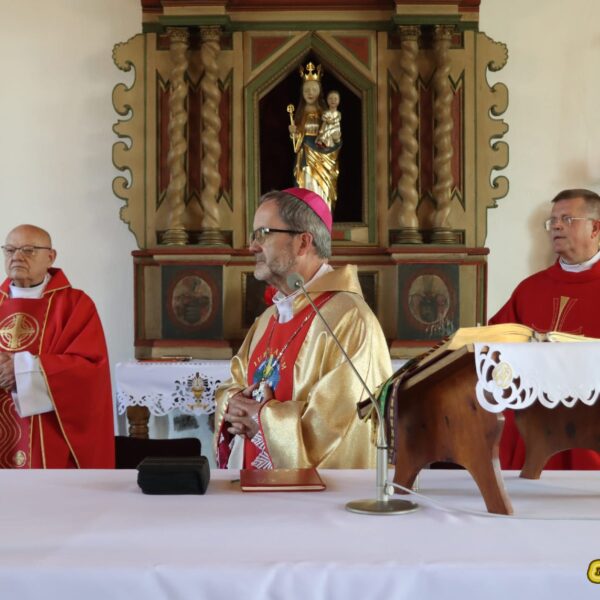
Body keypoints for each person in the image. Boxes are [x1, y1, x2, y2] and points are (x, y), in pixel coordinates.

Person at [214, 188, 391, 469]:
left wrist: (264, 420)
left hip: (317, 493)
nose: (252, 246)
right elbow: (235, 381)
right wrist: (234, 403)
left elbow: (340, 427)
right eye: (253, 235)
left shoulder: (348, 319)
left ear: (303, 242)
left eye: (263, 233)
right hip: (252, 488)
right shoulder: (269, 318)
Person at [489, 188, 600, 469]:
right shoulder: (530, 289)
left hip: (590, 426)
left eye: (567, 219)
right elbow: (494, 342)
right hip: (531, 424)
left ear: (595, 228)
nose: (557, 226)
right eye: (553, 221)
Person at [0, 225, 114, 468]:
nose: (16, 257)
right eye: (9, 250)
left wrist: (21, 370)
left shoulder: (75, 304)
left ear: (50, 257)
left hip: (49, 436)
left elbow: (90, 370)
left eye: (28, 250)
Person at [289, 62, 341, 211]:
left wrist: (334, 136)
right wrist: (294, 131)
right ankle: (308, 212)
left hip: (322, 152)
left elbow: (331, 131)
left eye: (314, 89)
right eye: (307, 90)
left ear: (319, 91)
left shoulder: (324, 112)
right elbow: (297, 137)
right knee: (307, 182)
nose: (310, 93)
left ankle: (322, 211)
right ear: (302, 92)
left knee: (321, 185)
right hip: (306, 154)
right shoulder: (301, 112)